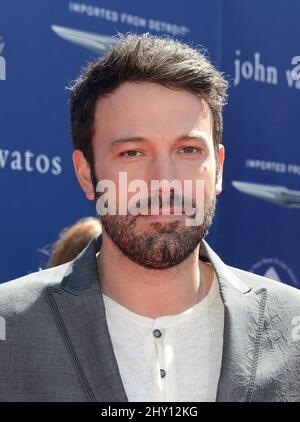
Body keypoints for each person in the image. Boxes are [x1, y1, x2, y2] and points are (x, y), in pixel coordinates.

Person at [0, 33, 300, 403]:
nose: (165, 181)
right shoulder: (10, 329)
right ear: (86, 174)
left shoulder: (292, 327)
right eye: (132, 153)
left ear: (218, 170)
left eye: (188, 150)